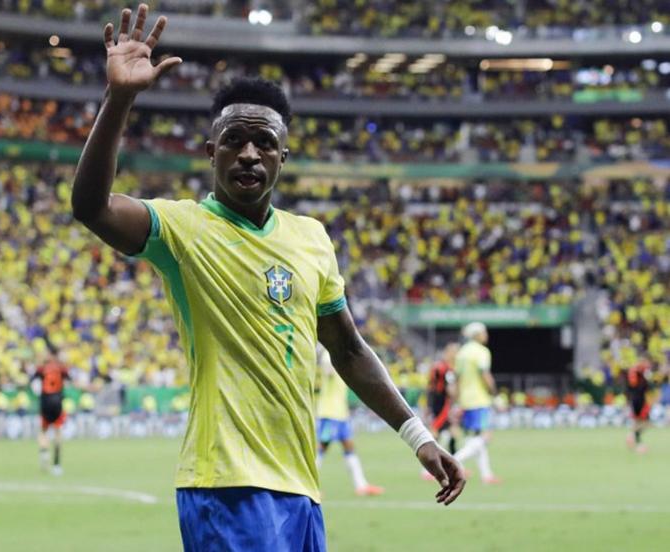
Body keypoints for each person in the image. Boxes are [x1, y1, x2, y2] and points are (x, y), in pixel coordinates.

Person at [71, 5, 465, 549]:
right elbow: (92, 207)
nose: (249, 153)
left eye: (264, 143)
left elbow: (348, 351)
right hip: (226, 485)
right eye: (234, 140)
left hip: (301, 488)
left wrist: (418, 436)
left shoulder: (311, 238)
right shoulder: (183, 228)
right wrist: (119, 99)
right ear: (211, 152)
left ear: (283, 156)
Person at [315, 346, 384, 496]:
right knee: (321, 447)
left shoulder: (339, 353)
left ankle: (361, 485)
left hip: (341, 413)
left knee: (349, 447)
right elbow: (328, 371)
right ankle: (309, 485)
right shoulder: (329, 355)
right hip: (329, 412)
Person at [452, 322, 501, 484]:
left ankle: (486, 475)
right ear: (477, 334)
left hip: (466, 400)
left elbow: (457, 380)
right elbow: (485, 375)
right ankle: (452, 463)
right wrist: (495, 395)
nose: (486, 335)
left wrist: (457, 400)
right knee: (485, 437)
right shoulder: (481, 352)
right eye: (484, 332)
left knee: (475, 438)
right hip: (479, 400)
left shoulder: (462, 353)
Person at [421, 343, 459, 482]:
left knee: (453, 433)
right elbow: (450, 390)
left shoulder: (437, 367)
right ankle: (428, 469)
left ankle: (455, 466)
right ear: (448, 353)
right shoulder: (447, 369)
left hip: (436, 403)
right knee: (434, 435)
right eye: (454, 351)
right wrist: (455, 398)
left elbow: (430, 387)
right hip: (443, 405)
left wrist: (427, 405)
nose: (456, 354)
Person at [31, 347, 71, 475]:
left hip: (45, 401)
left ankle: (44, 451)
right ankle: (57, 464)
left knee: (43, 431)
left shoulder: (41, 368)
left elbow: (34, 384)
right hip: (58, 401)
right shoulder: (61, 368)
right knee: (58, 432)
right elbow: (69, 381)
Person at [625, 358, 651, 453]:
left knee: (638, 422)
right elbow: (646, 387)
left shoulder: (633, 371)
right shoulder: (641, 372)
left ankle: (634, 438)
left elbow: (629, 387)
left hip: (634, 399)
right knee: (646, 423)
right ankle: (637, 440)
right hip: (640, 400)